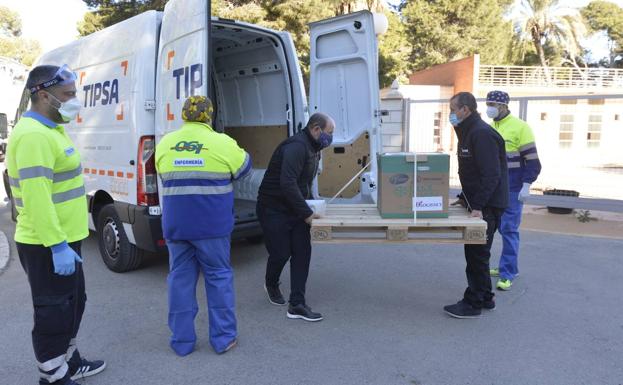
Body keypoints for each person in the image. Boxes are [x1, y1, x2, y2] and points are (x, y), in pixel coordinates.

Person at [5, 65, 106, 385]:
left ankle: (68, 360)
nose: (74, 101)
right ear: (43, 95)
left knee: (75, 303)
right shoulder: (34, 135)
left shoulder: (51, 127)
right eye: (68, 95)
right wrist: (57, 245)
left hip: (66, 238)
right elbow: (36, 199)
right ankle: (52, 375)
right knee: (53, 309)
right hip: (46, 243)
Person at [155, 95, 251, 356]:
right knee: (218, 277)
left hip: (176, 226)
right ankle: (223, 339)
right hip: (212, 226)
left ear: (183, 115)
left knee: (180, 280)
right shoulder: (221, 142)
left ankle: (182, 342)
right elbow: (244, 169)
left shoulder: (166, 143)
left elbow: (162, 173)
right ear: (209, 116)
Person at [257, 113, 335, 322]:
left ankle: (297, 304)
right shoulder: (296, 147)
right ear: (316, 129)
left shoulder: (314, 148)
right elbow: (288, 183)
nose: (331, 138)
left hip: (295, 207)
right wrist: (308, 214)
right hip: (272, 208)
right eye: (329, 133)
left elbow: (303, 183)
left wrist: (312, 203)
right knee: (281, 253)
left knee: (302, 252)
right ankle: (271, 283)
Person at [444, 92, 508, 319]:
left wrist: (478, 206)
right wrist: (465, 197)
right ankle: (486, 297)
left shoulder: (481, 134)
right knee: (478, 253)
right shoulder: (469, 132)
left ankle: (473, 303)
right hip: (481, 203)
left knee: (477, 254)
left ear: (465, 110)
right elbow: (473, 173)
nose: (450, 114)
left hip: (487, 206)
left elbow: (491, 175)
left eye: (453, 109)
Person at [485, 90, 542, 291]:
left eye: (492, 104)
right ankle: (504, 267)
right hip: (495, 188)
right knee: (492, 228)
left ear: (503, 106)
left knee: (508, 230)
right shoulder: (492, 127)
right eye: (488, 103)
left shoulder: (520, 127)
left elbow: (533, 161)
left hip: (512, 187)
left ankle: (508, 272)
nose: (489, 107)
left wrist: (527, 184)